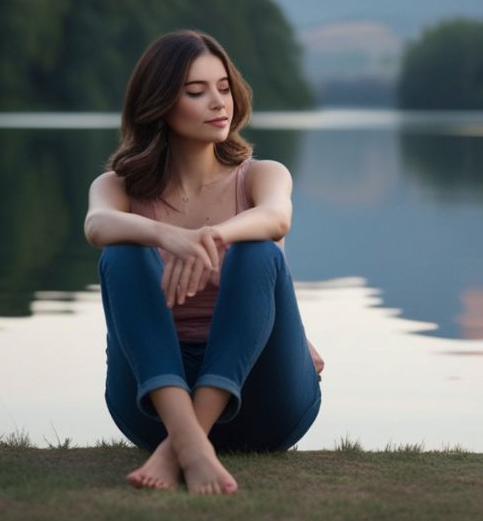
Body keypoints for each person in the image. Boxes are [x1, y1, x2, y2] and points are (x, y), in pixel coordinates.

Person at [83, 29, 324, 495]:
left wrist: (212, 236)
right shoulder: (118, 187)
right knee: (122, 250)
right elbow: (97, 226)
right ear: (159, 104)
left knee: (257, 248)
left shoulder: (263, 175)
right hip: (153, 406)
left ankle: (179, 449)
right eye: (196, 91)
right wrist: (165, 235)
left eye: (224, 88)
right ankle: (188, 440)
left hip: (263, 399)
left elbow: (277, 218)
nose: (219, 103)